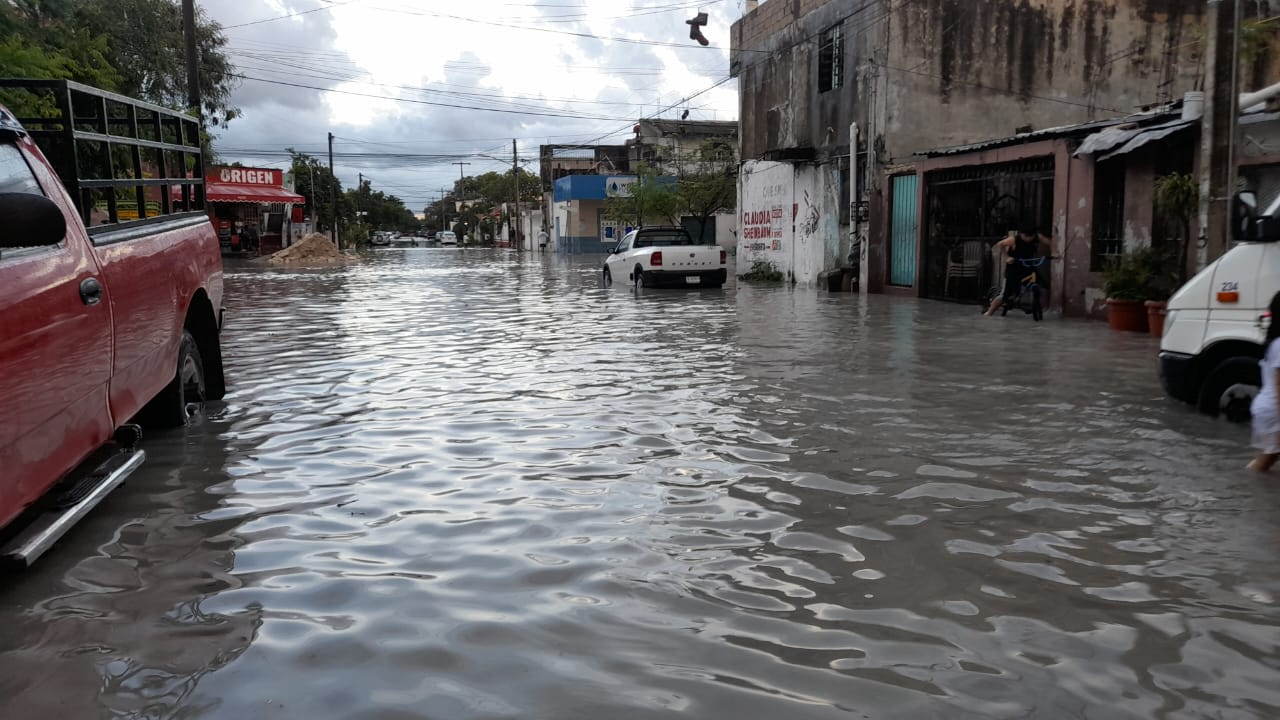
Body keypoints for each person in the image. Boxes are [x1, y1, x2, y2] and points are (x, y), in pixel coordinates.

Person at [985, 226, 1051, 316]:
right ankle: (989, 312)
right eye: (1026, 236)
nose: (1028, 239)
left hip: (1027, 268)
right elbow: (1000, 244)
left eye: (1030, 237)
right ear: (1021, 234)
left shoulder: (1038, 237)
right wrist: (1007, 257)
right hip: (1013, 269)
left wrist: (1054, 253)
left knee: (1043, 285)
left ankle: (1043, 309)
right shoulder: (1014, 239)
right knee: (1005, 295)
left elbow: (1049, 242)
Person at [1248, 291, 1280, 471]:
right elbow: (1279, 386)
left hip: (1268, 409)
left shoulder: (1275, 342)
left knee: (1265, 461)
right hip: (1274, 411)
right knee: (1264, 462)